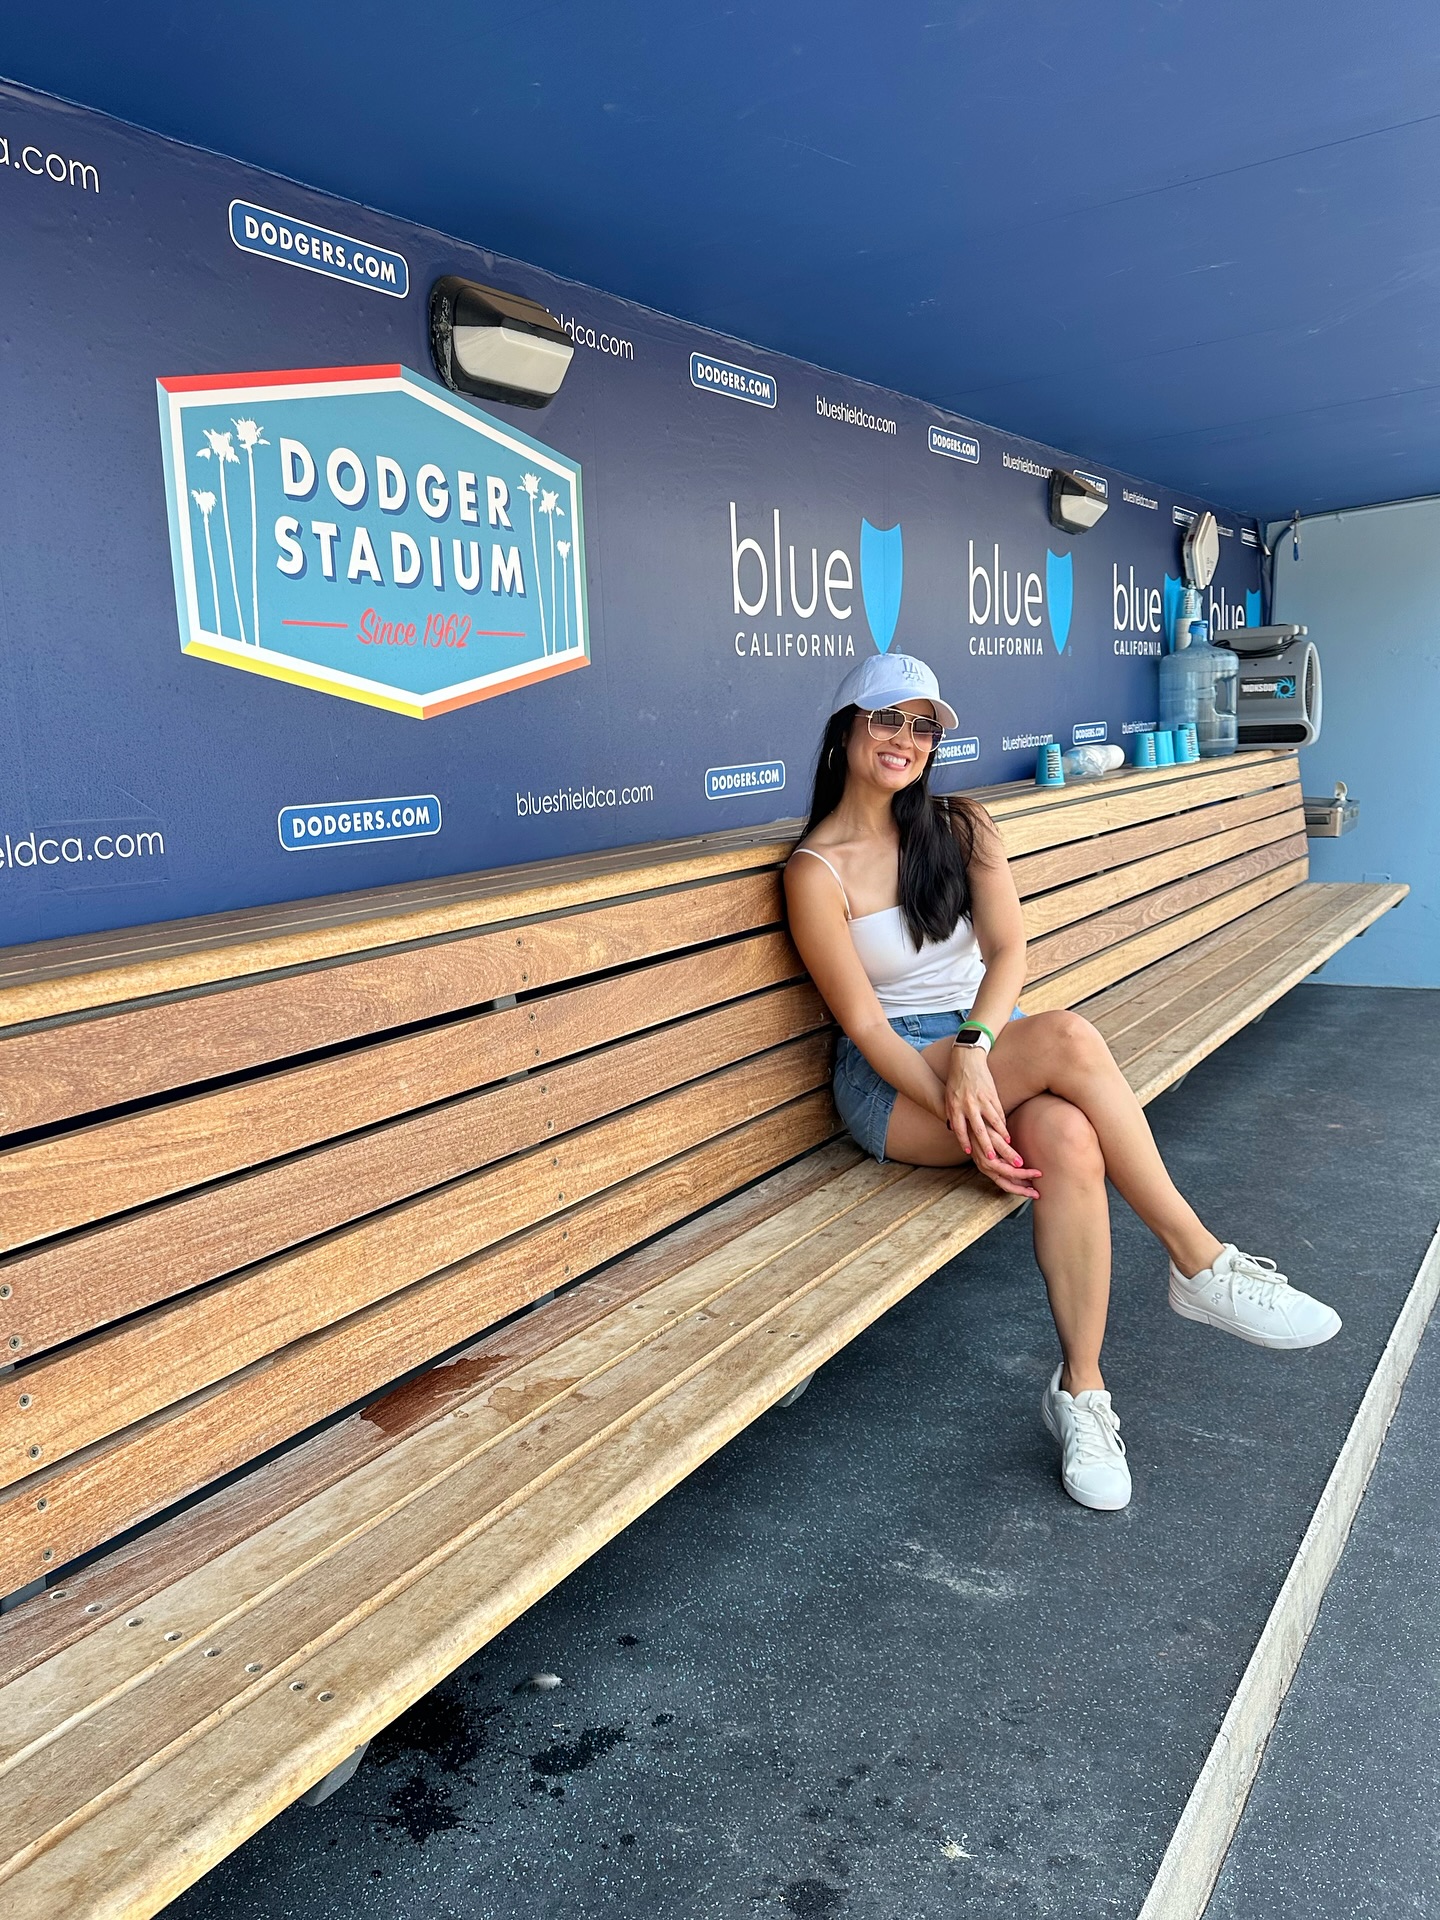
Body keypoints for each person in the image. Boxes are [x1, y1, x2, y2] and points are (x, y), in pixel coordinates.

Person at [783, 652, 1341, 1512]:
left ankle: (1083, 1395)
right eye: (887, 719)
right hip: (891, 1084)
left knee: (1071, 1138)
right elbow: (862, 1025)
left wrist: (975, 1049)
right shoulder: (814, 870)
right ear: (847, 727)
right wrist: (963, 1106)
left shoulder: (961, 828)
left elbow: (1009, 954)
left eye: (923, 726)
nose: (906, 740)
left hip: (981, 1046)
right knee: (1073, 1037)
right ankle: (1200, 1262)